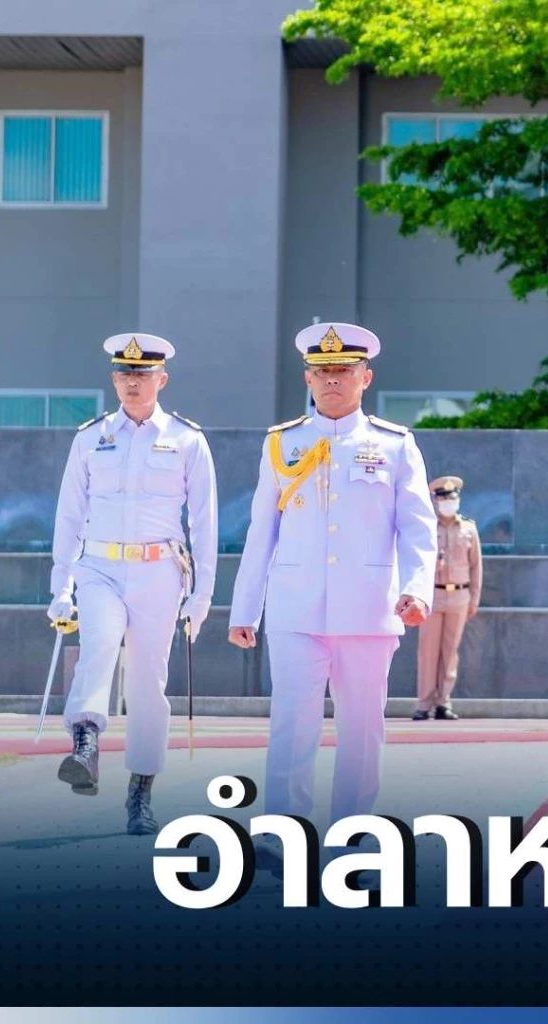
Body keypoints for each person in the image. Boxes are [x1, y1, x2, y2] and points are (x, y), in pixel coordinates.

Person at [228, 322, 436, 865]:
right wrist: (245, 608)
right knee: (291, 726)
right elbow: (262, 531)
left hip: (369, 608)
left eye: (343, 370)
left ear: (365, 377)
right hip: (295, 608)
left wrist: (417, 590)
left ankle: (354, 843)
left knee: (362, 732)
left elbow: (418, 527)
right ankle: (281, 837)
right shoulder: (282, 443)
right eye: (322, 372)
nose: (332, 381)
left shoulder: (394, 444)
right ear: (307, 378)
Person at [48, 333, 217, 835]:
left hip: (159, 571)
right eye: (124, 374)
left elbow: (204, 522)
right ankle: (85, 745)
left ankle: (140, 792)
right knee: (98, 646)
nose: (133, 382)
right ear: (114, 379)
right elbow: (69, 515)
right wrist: (61, 586)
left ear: (162, 379)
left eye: (142, 375)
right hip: (98, 567)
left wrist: (202, 595)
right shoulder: (91, 438)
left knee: (147, 682)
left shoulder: (187, 439)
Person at [415, 475, 483, 721]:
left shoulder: (468, 528)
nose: (449, 503)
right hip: (433, 594)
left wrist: (474, 598)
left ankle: (444, 702)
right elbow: (417, 561)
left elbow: (476, 566)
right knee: (428, 652)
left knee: (450, 651)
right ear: (436, 501)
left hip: (459, 595)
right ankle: (424, 704)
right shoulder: (427, 527)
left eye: (452, 498)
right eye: (444, 499)